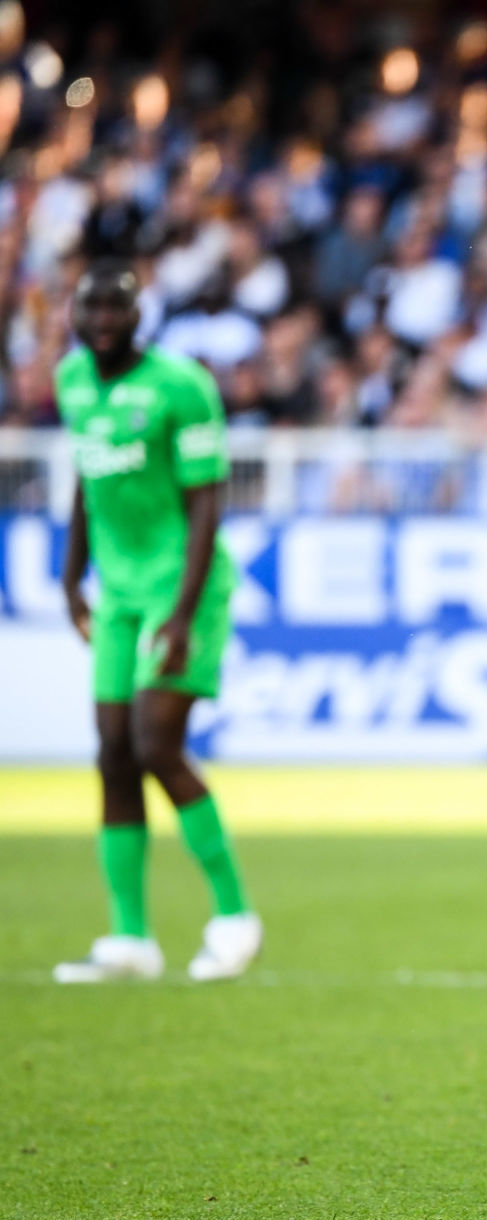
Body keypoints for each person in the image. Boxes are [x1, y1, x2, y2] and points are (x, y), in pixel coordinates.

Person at [53, 259, 260, 983]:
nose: (103, 320)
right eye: (91, 308)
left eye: (117, 308)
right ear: (75, 314)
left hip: (183, 586)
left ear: (140, 315)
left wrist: (180, 611)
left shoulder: (182, 386)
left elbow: (207, 502)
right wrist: (69, 572)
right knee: (112, 751)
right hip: (117, 592)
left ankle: (235, 915)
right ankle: (129, 937)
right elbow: (87, 477)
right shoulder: (72, 380)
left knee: (154, 742)